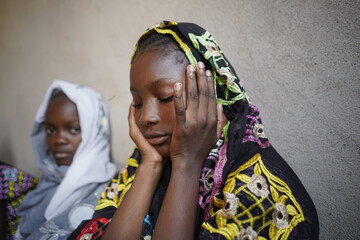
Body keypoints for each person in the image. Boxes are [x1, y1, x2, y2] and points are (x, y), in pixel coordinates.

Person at [70, 21, 319, 240]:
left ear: (212, 96)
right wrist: (150, 165)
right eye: (137, 102)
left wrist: (186, 163)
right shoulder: (141, 164)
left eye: (167, 97)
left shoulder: (263, 193)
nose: (145, 117)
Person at [14, 80, 117, 240]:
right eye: (51, 130)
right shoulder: (47, 183)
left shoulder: (115, 188)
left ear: (95, 131)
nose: (59, 139)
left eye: (74, 129)